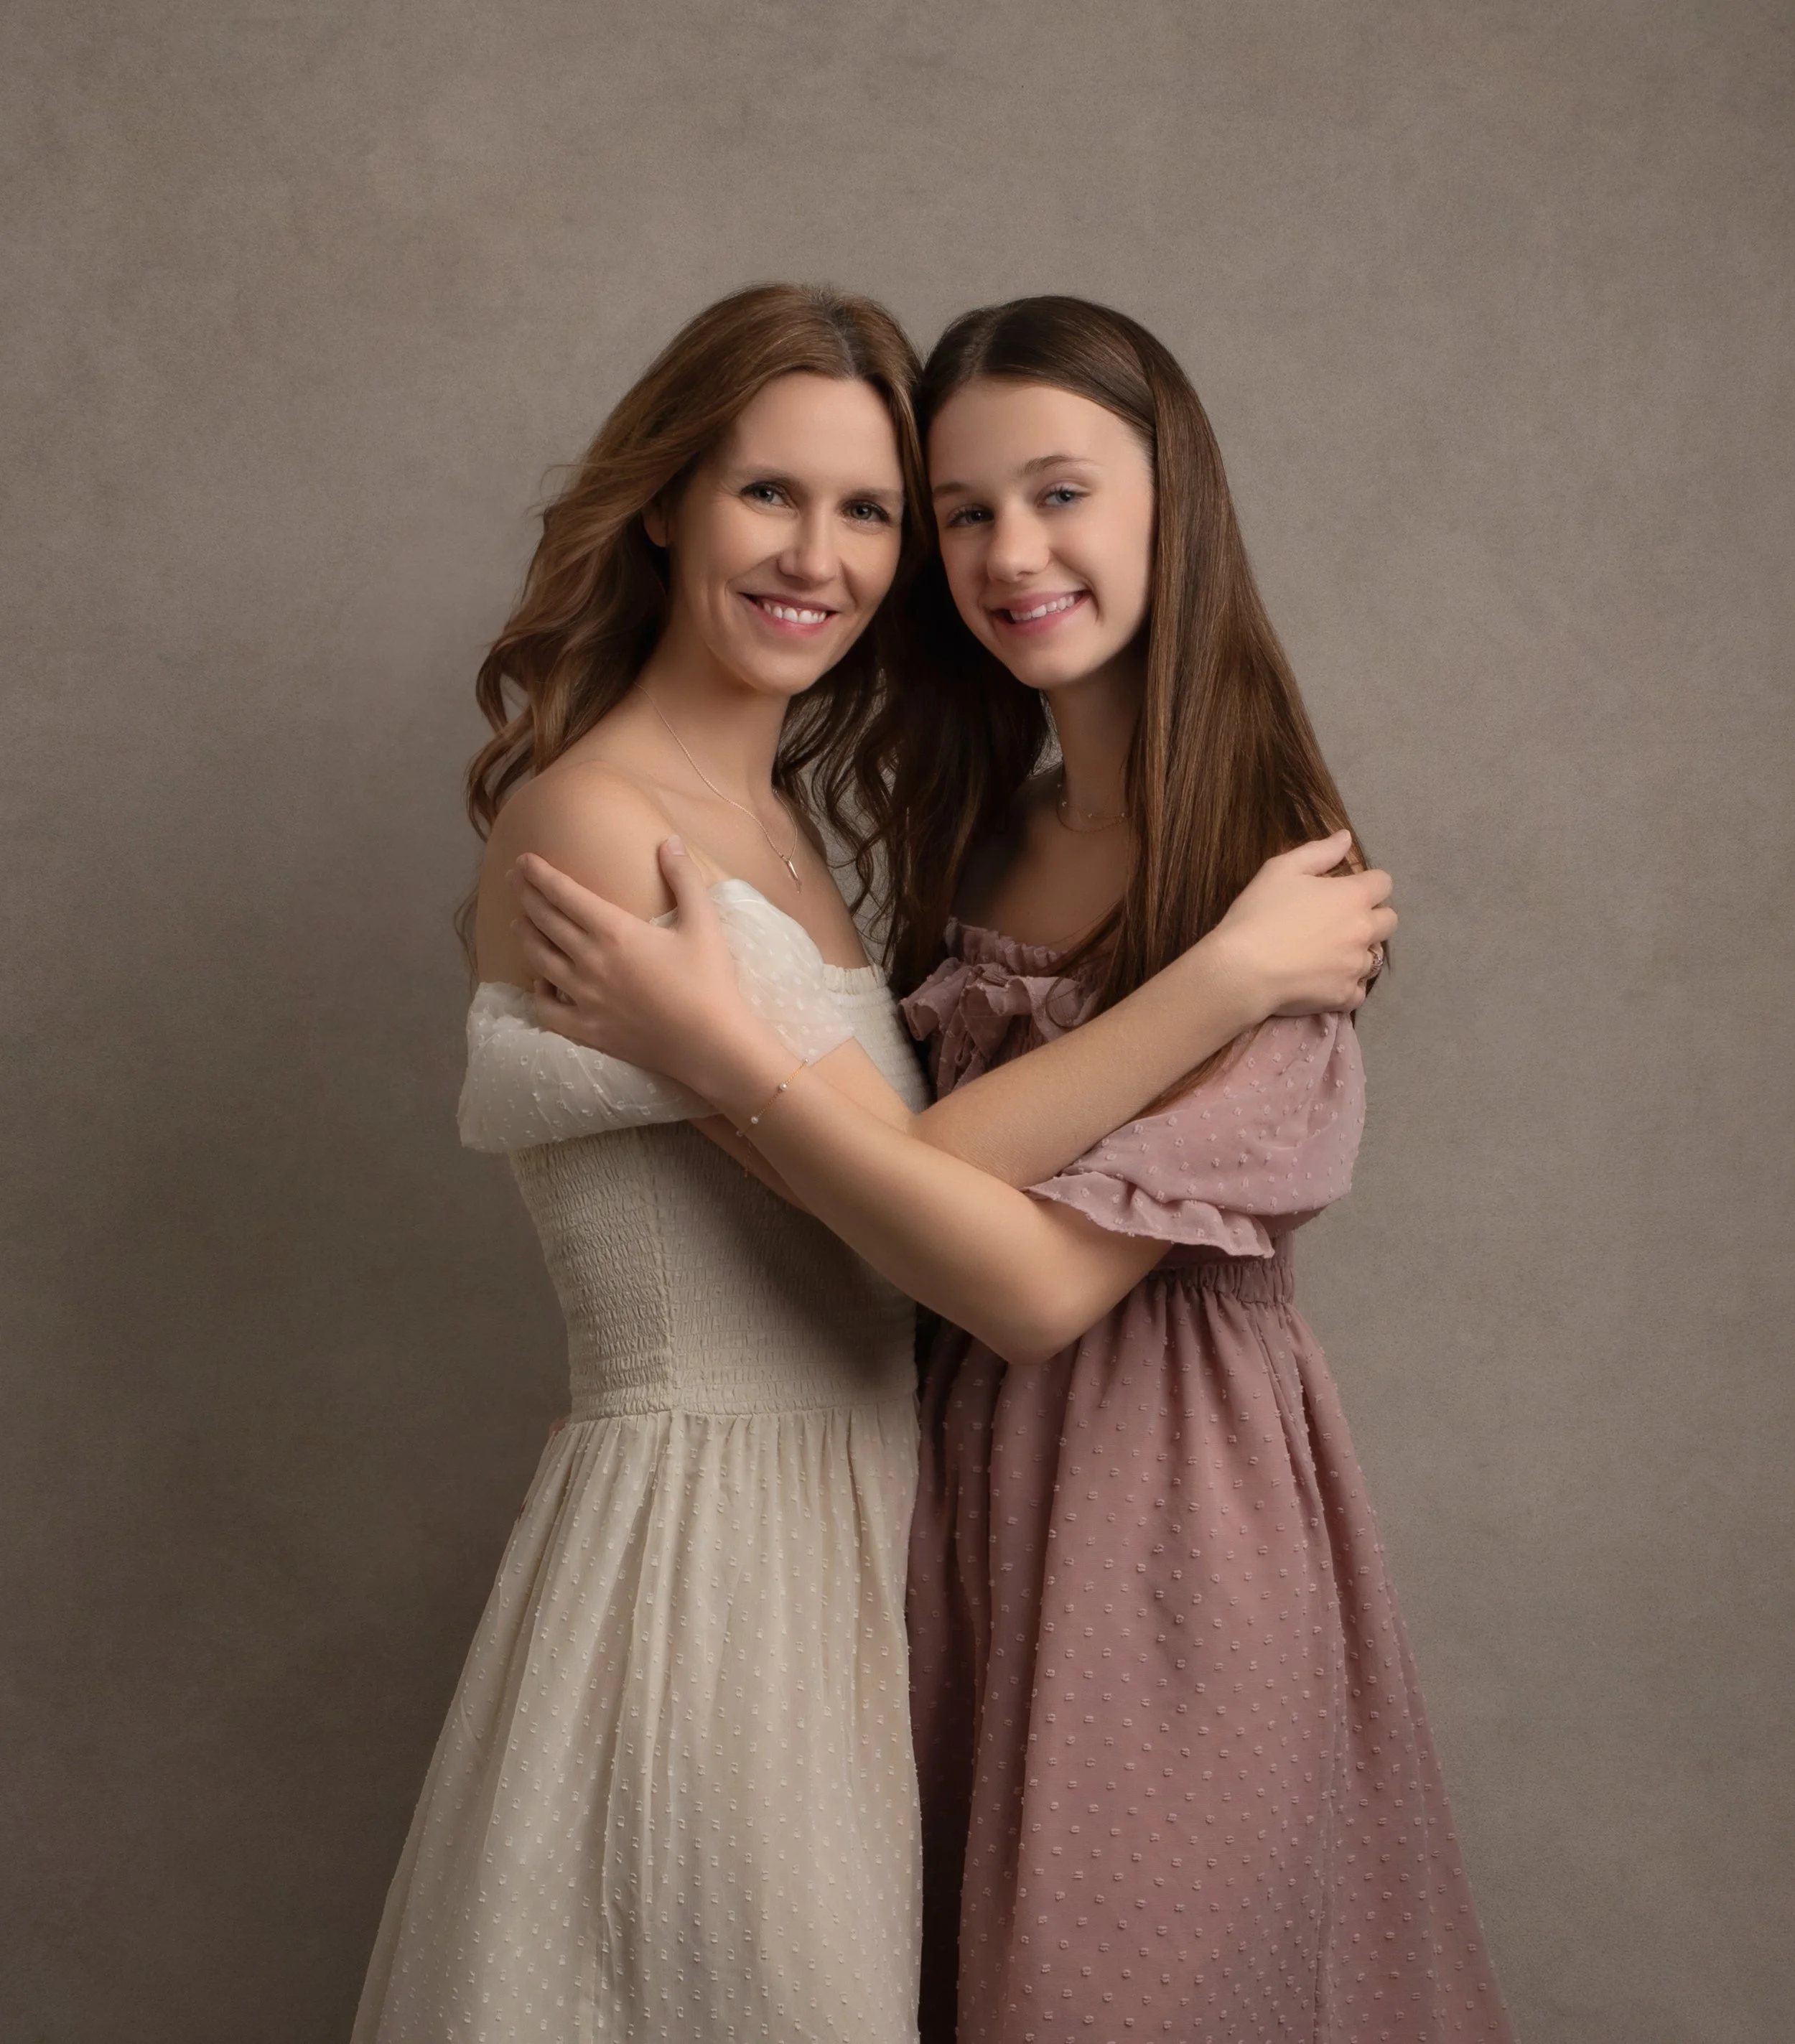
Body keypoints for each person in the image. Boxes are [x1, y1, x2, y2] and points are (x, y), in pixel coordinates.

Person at [355, 284, 1396, 2044]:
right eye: (775, 493)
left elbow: (933, 1193)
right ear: (666, 499)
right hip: (723, 1533)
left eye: (867, 512)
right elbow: (932, 1210)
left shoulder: (807, 836)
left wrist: (1224, 966)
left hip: (930, 1525)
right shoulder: (609, 821)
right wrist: (1213, 979)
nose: (824, 556)